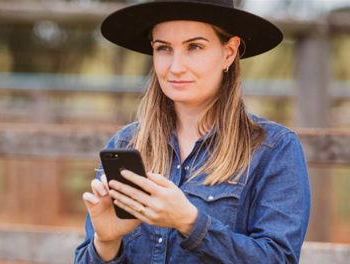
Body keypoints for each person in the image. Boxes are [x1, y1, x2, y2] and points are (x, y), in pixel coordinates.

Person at [75, 0, 311, 263]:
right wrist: (106, 243)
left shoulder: (274, 149)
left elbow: (279, 258)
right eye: (163, 48)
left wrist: (190, 222)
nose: (175, 67)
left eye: (194, 47)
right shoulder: (127, 143)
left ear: (229, 52)